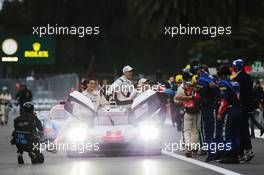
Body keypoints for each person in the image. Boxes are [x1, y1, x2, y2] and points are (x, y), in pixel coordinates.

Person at [192, 64, 220, 162]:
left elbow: (199, 96)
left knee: (208, 131)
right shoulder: (212, 77)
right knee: (215, 130)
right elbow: (218, 89)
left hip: (208, 106)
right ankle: (217, 152)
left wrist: (194, 90)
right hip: (215, 105)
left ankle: (212, 153)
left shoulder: (201, 80)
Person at [217, 65, 242, 163]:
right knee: (236, 133)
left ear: (221, 74)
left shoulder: (223, 83)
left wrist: (220, 113)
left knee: (226, 133)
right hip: (239, 109)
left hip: (229, 110)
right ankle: (236, 155)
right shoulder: (235, 82)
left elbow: (224, 101)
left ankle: (228, 155)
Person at [232, 59, 254, 162]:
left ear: (236, 67)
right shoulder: (249, 77)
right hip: (248, 106)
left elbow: (236, 94)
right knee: (245, 129)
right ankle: (246, 151)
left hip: (239, 106)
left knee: (240, 130)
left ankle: (243, 152)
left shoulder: (237, 78)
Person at [175, 70, 201, 158]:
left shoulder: (181, 87)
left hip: (187, 110)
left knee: (187, 130)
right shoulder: (195, 85)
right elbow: (199, 96)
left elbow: (176, 99)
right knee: (195, 130)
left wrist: (185, 99)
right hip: (196, 110)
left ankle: (189, 148)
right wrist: (192, 97)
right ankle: (194, 148)